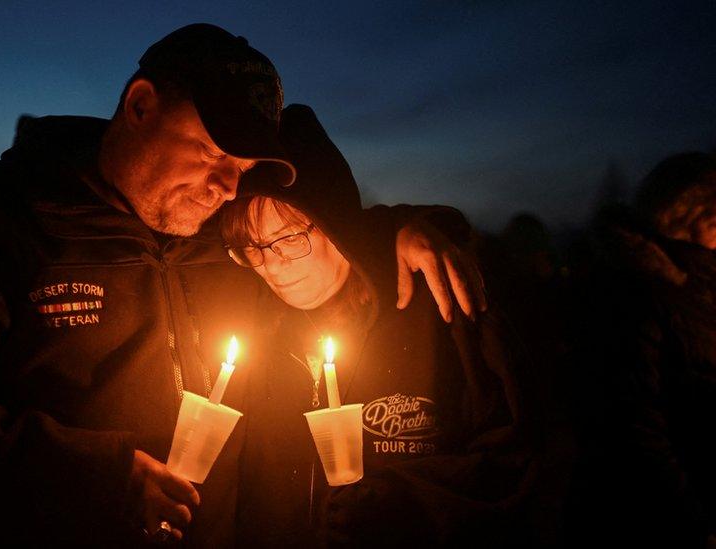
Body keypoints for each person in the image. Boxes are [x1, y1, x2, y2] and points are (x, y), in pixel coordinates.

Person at [0, 24, 484, 546]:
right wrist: (93, 481)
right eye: (211, 153)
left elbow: (315, 233)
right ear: (140, 104)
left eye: (245, 168)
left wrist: (399, 229)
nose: (228, 187)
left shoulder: (219, 235)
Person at [224, 105, 538, 547]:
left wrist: (404, 505)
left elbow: (517, 464)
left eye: (291, 238)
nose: (272, 265)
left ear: (335, 223)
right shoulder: (253, 332)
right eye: (250, 248)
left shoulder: (438, 311)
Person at [567, 152, 716, 547]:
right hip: (658, 522)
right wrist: (697, 522)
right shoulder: (636, 297)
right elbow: (632, 429)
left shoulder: (697, 290)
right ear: (699, 221)